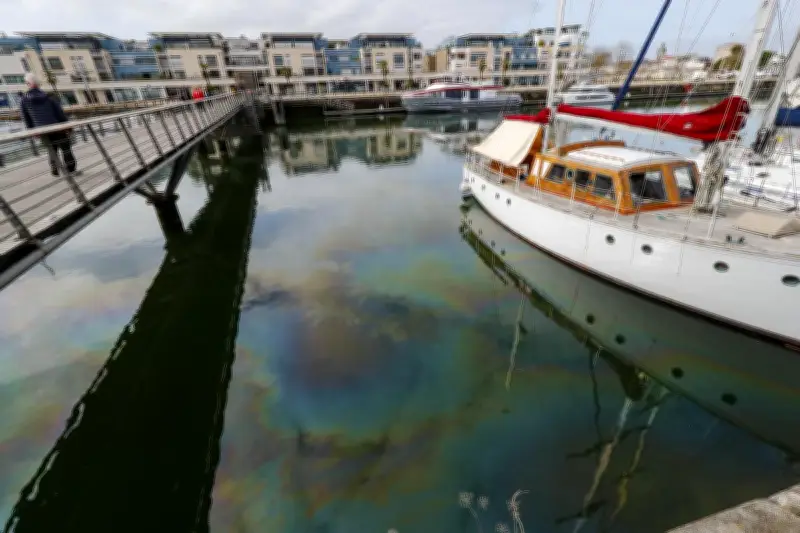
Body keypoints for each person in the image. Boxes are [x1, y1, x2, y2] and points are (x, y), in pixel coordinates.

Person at [20, 73, 77, 177]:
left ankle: (55, 168)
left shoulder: (24, 99)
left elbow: (26, 118)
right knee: (65, 147)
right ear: (38, 84)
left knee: (51, 149)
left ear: (28, 84)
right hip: (57, 127)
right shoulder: (49, 97)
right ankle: (70, 169)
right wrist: (67, 126)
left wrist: (32, 131)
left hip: (41, 129)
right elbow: (59, 113)